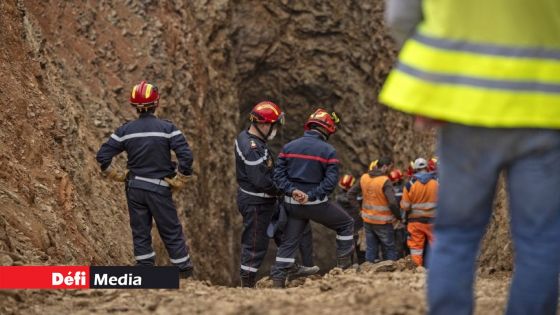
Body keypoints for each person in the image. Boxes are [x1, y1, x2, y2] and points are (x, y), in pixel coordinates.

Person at [381, 1, 560, 313]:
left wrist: (430, 84)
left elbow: (401, 15)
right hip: (545, 107)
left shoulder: (401, 183)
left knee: (455, 234)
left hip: (464, 107)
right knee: (540, 239)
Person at [96, 80, 194, 278]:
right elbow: (186, 155)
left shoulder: (125, 131)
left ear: (134, 105)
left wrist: (113, 173)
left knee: (140, 231)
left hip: (134, 188)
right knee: (171, 230)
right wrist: (182, 176)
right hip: (159, 189)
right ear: (156, 103)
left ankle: (145, 273)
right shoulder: (168, 129)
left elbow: (103, 156)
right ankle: (184, 273)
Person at [271, 109, 354, 288]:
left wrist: (292, 191)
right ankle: (344, 269)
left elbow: (277, 176)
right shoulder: (328, 151)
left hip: (292, 205)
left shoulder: (289, 147)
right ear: (328, 129)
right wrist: (311, 195)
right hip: (315, 204)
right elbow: (330, 182)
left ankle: (278, 282)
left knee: (289, 242)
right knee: (346, 224)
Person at [234, 101, 284, 288]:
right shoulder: (252, 148)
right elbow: (260, 181)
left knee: (283, 230)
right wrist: (280, 190)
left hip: (264, 200)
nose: (274, 129)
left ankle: (289, 266)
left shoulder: (249, 139)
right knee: (255, 242)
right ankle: (247, 282)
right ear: (263, 124)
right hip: (256, 202)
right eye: (273, 125)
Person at [348, 158, 401, 262]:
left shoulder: (364, 177)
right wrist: (398, 216)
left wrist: (360, 211)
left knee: (371, 248)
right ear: (385, 166)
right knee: (389, 247)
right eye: (390, 167)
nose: (391, 170)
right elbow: (393, 202)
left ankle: (369, 273)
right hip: (383, 222)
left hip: (368, 220)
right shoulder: (385, 181)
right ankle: (391, 273)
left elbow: (350, 194)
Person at [268, 202, 320, 279]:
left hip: (295, 205)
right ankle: (284, 273)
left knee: (304, 238)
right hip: (280, 206)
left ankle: (307, 274)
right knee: (285, 241)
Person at [401, 158, 438, 266]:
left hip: (415, 222)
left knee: (416, 249)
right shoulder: (436, 183)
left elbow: (405, 206)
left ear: (415, 169)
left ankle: (417, 271)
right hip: (433, 221)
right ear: (427, 167)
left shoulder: (410, 185)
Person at [336, 174, 366, 264]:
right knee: (362, 254)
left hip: (346, 231)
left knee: (347, 254)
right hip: (359, 229)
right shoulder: (358, 199)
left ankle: (348, 271)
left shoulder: (338, 199)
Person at [388, 168, 408, 259]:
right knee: (402, 243)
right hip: (401, 221)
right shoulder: (403, 189)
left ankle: (396, 260)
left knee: (393, 245)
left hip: (391, 221)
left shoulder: (388, 190)